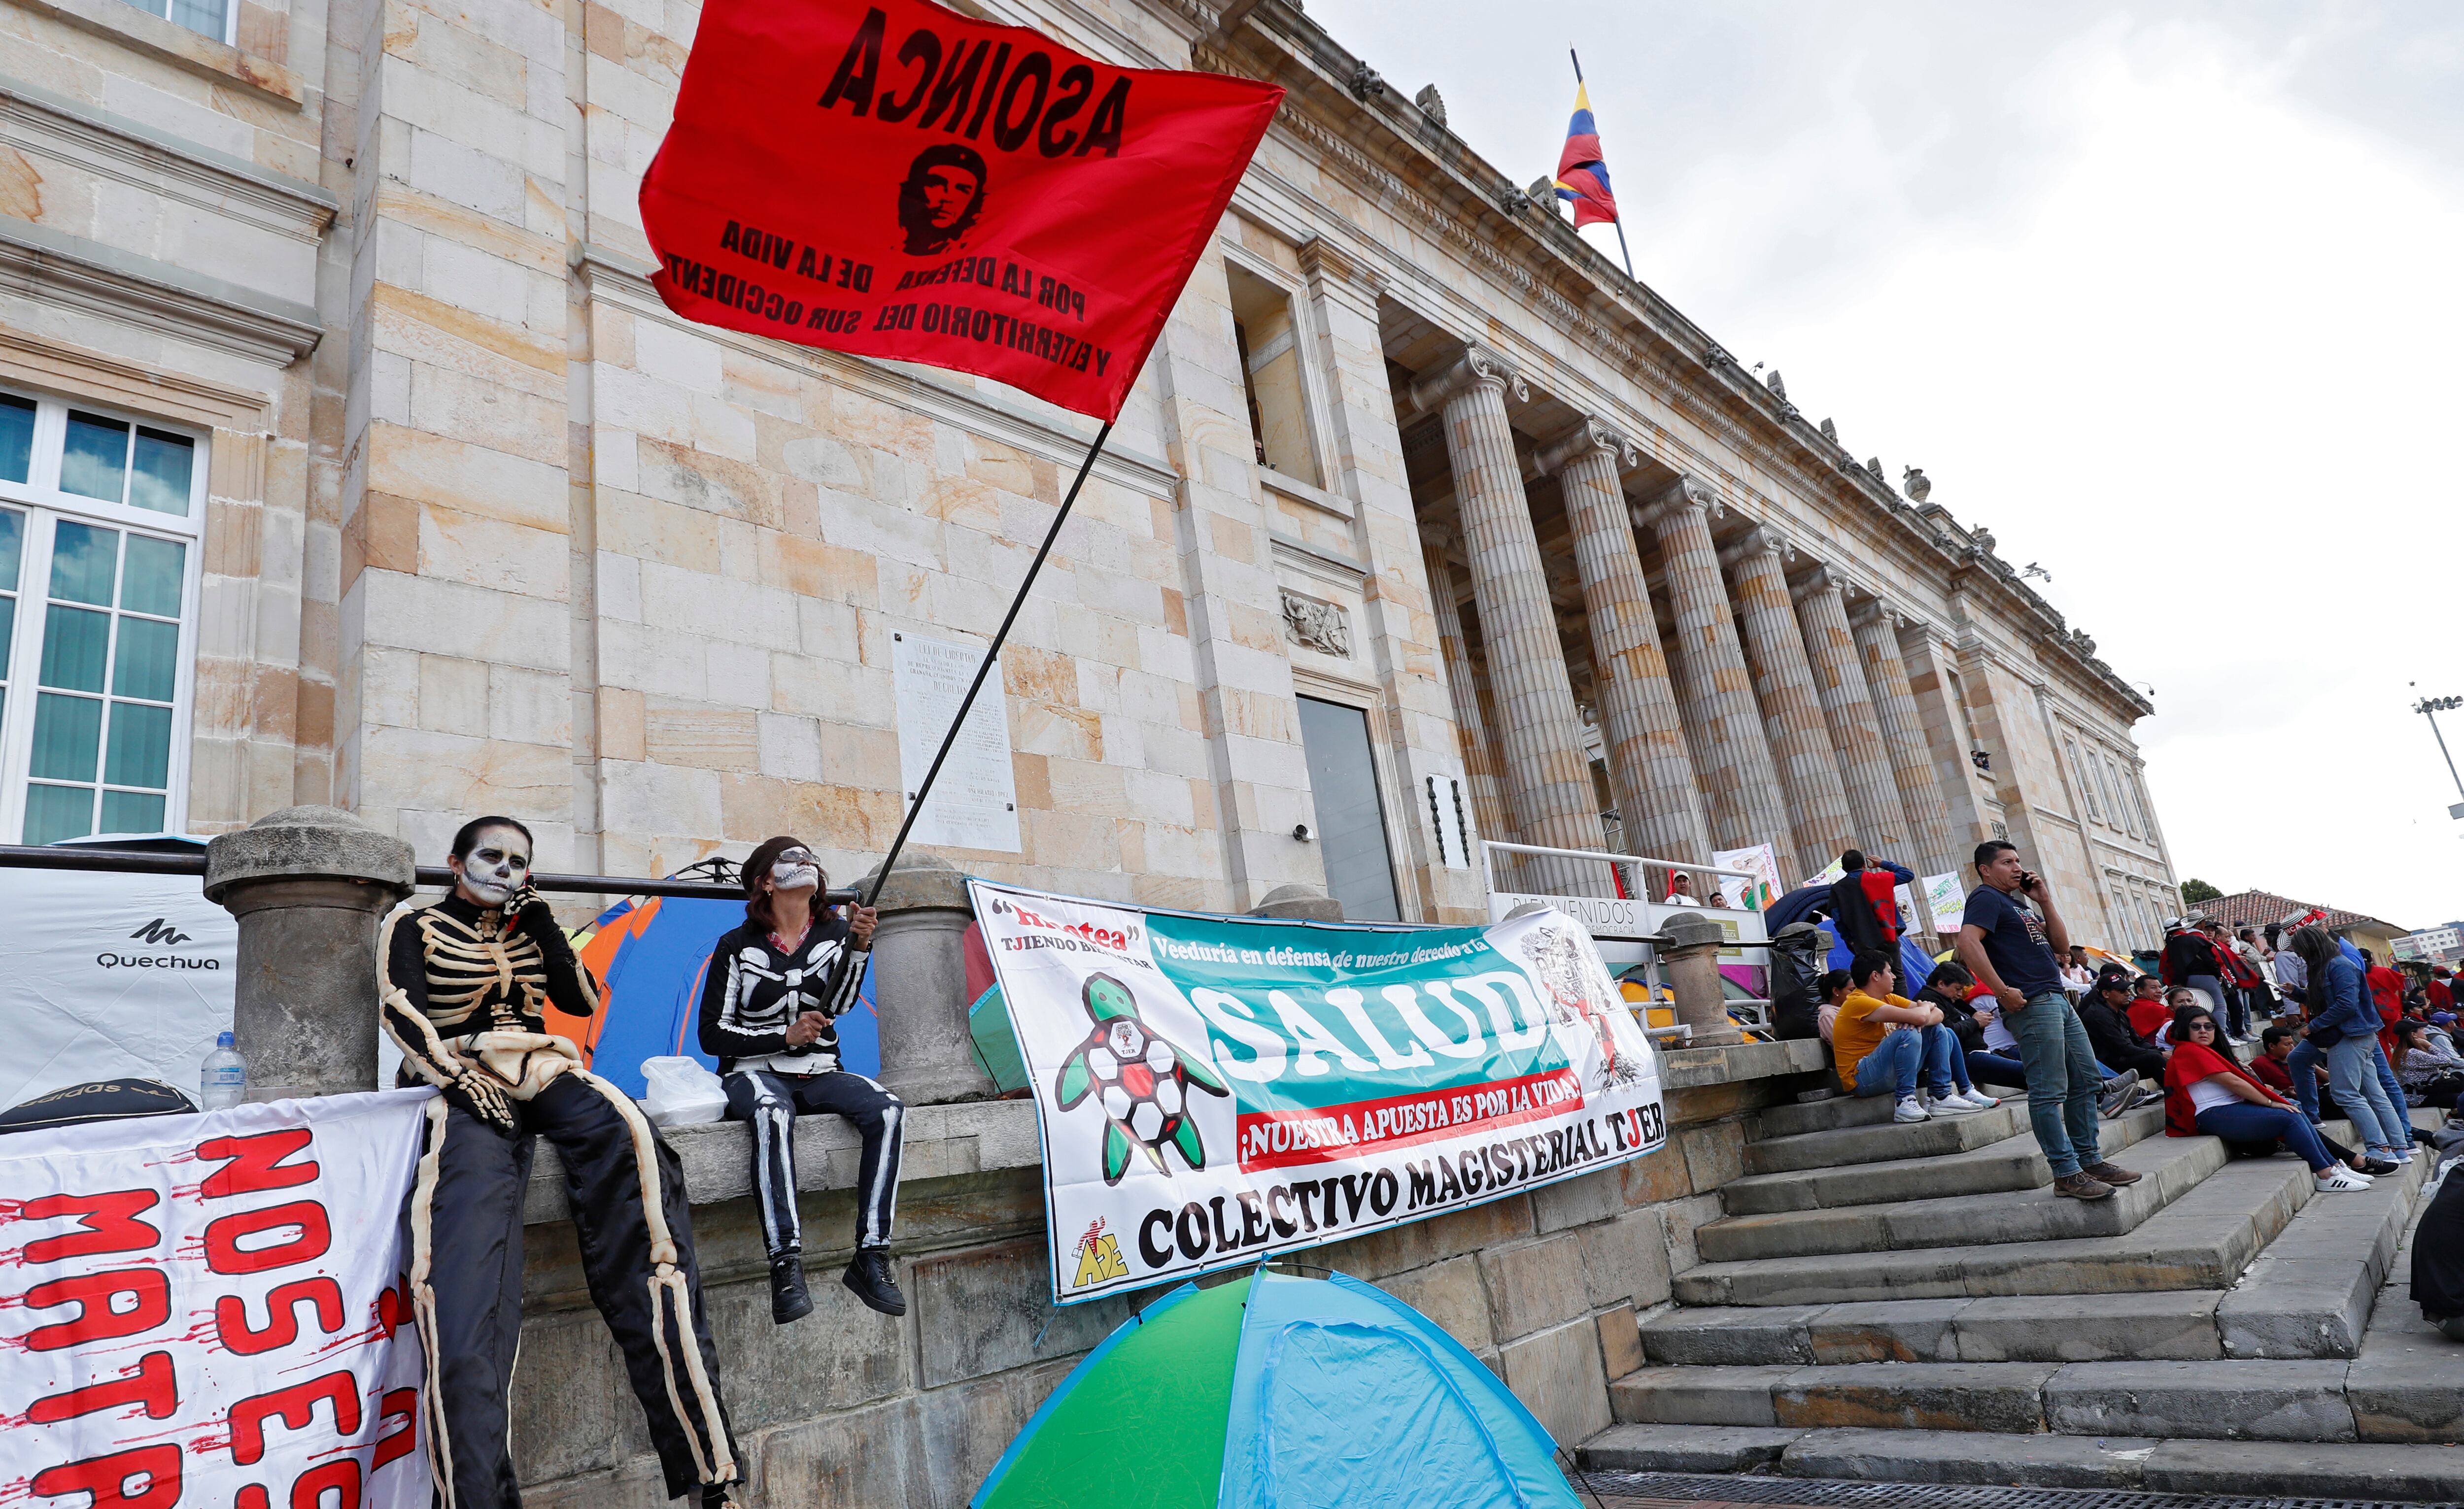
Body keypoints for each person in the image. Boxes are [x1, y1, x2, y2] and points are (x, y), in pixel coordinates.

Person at [381, 817, 741, 1509]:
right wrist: (450, 1075)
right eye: (492, 855)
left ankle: (708, 1462)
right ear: (456, 861)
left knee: (635, 1144)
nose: (505, 868)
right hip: (462, 1067)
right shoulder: (415, 923)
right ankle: (477, 1493)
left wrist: (544, 921)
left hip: (543, 1064)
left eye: (519, 860)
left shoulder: (526, 928)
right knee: (461, 1263)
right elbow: (400, 1009)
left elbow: (579, 998)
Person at [699, 836, 904, 1323]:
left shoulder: (832, 936)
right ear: (764, 881)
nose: (806, 863)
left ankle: (872, 1255)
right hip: (751, 1073)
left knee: (888, 1110)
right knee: (772, 1114)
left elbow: (840, 1004)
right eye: (790, 860)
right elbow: (712, 1035)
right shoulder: (735, 947)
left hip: (819, 1071)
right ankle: (786, 1263)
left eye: (811, 857)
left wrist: (858, 946)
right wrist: (781, 1037)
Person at [1956, 840, 2141, 1199]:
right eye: (2007, 862)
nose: (2017, 867)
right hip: (2032, 1003)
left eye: (2018, 861)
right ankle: (2066, 1172)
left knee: (2086, 1080)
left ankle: (2089, 1160)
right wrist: (2001, 990)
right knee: (2049, 1089)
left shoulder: (2016, 902)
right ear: (1985, 869)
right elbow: (1967, 942)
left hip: (2055, 998)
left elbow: (2062, 945)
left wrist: (2044, 899)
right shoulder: (1985, 897)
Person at [2162, 1005, 2372, 1192]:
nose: (2203, 1031)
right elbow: (2234, 1083)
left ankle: (2334, 1166)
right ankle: (2326, 1175)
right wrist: (2271, 1102)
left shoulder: (2200, 1050)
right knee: (2287, 1116)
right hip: (2211, 1114)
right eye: (2196, 1027)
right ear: (2185, 1030)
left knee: (2292, 1110)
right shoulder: (2190, 1051)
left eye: (2209, 1027)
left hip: (2225, 1109)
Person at [2289, 925, 2414, 1164]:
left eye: (2301, 950)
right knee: (2374, 1093)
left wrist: (2312, 1027)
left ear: (2312, 947)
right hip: (2357, 1035)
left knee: (2345, 1093)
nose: (2299, 955)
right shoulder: (2331, 966)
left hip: (2352, 1036)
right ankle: (2399, 1148)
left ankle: (2380, 1148)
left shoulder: (2339, 965)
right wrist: (2298, 993)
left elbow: (2346, 1006)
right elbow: (2336, 1001)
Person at [1831, 950, 1992, 1122]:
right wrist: (1924, 1010)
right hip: (1861, 1079)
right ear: (1876, 976)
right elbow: (1923, 1016)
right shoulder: (1858, 1002)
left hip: (1885, 1072)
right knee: (1908, 1032)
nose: (1894, 976)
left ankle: (1942, 1096)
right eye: (1890, 971)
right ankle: (1904, 1101)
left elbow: (1939, 1015)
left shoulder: (1889, 998)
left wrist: (1922, 1015)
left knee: (1942, 1031)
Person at [2080, 969, 2167, 1083]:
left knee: (2165, 1055)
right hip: (2109, 1066)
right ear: (2106, 994)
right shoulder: (2098, 1015)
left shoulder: (2119, 1012)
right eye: (2122, 991)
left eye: (2128, 990)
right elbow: (2123, 1048)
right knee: (2156, 1059)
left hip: (2122, 1057)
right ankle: (2176, 1096)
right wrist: (2159, 1053)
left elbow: (2138, 1040)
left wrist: (2159, 1051)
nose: (2128, 994)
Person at [1828, 849, 1916, 954]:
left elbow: (1838, 919)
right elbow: (1908, 875)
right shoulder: (1879, 879)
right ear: (1864, 865)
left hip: (1862, 940)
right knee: (1895, 971)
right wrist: (1883, 863)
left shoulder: (1837, 889)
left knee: (1871, 969)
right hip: (1888, 934)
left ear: (1844, 869)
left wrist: (1850, 939)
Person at [2160, 918, 2227, 1024]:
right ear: (2182, 928)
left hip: (2184, 981)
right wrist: (2218, 974)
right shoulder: (2194, 940)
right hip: (2205, 977)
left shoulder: (2170, 946)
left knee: (2199, 1009)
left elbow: (2168, 968)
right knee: (2219, 1006)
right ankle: (2221, 1035)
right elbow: (2210, 959)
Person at [2395, 1018, 2464, 1109]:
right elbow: (2447, 1060)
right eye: (2422, 1030)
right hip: (2419, 1097)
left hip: (2424, 1090)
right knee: (2461, 1098)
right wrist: (2429, 1045)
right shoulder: (2412, 1053)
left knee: (2459, 1077)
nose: (2425, 1032)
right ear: (2413, 1035)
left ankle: (2455, 1113)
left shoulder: (2403, 1049)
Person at [2126, 975, 2172, 1040]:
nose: (2159, 991)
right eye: (2153, 988)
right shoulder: (2155, 1008)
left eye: (2160, 987)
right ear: (2140, 991)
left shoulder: (2134, 1004)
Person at [1814, 966, 1851, 1044]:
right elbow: (1846, 1043)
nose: (1857, 994)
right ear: (1836, 991)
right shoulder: (1828, 1015)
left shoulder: (1853, 1008)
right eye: (1852, 990)